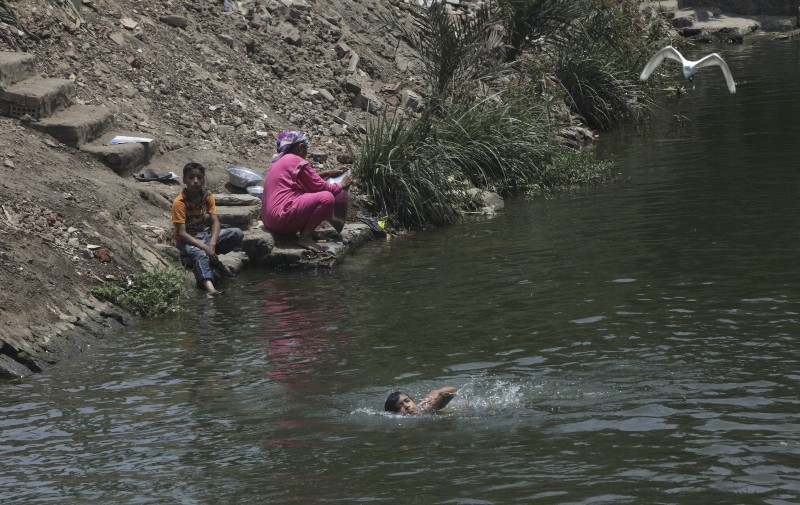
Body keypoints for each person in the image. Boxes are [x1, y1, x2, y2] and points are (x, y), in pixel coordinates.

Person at [261, 131, 352, 252]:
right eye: (306, 148)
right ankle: (305, 237)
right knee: (326, 197)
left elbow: (305, 179)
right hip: (280, 220)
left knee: (306, 196)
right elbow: (321, 187)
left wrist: (328, 173)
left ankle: (309, 232)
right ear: (301, 147)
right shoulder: (296, 160)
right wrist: (341, 184)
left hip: (268, 221)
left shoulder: (279, 161)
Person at [172, 162, 244, 297]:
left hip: (204, 235)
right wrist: (204, 247)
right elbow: (181, 233)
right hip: (186, 240)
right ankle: (210, 289)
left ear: (204, 179)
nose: (195, 181)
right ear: (184, 180)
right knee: (200, 254)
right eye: (191, 177)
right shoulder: (179, 202)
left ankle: (210, 257)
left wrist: (212, 243)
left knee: (236, 233)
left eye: (199, 177)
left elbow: (215, 221)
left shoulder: (207, 196)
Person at [384, 386, 457, 414]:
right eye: (400, 406)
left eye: (407, 401)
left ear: (412, 400)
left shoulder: (426, 407)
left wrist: (438, 393)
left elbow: (453, 389)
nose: (406, 406)